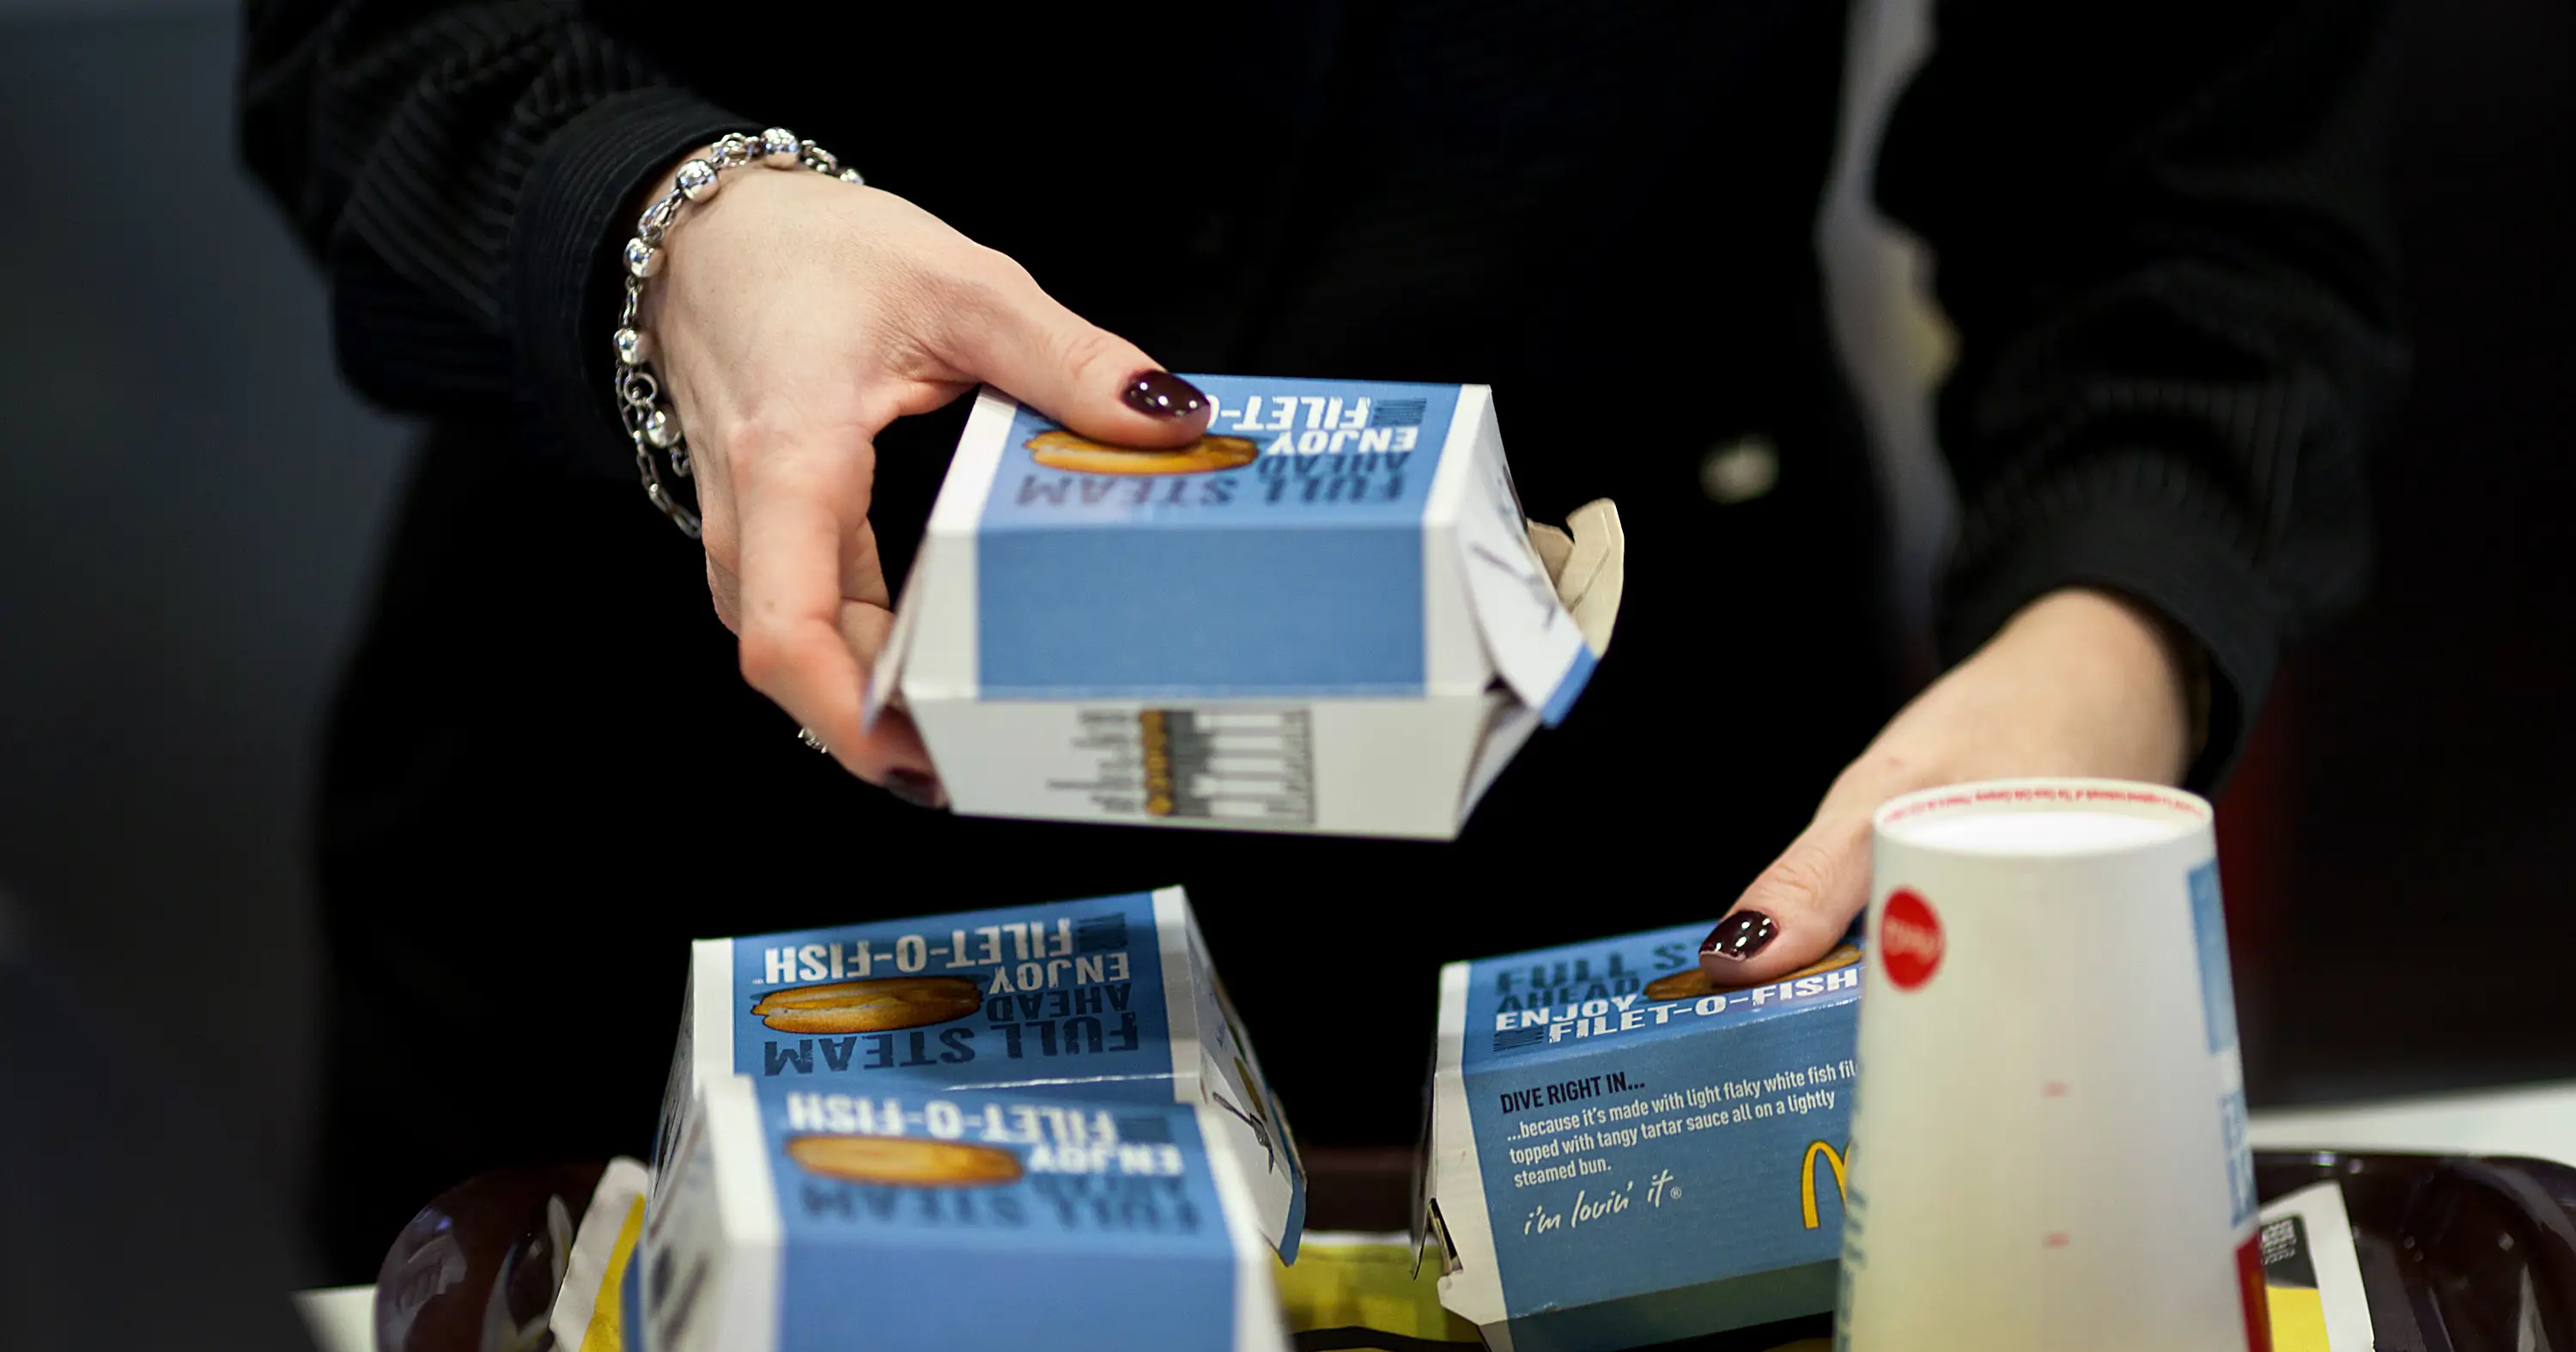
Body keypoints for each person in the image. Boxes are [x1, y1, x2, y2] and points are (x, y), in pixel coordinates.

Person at [242, 1, 2405, 1283]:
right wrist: (673, 228)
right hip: (694, 817)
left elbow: (2193, 201)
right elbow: (364, 32)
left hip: (1643, 928)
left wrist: (2097, 655)